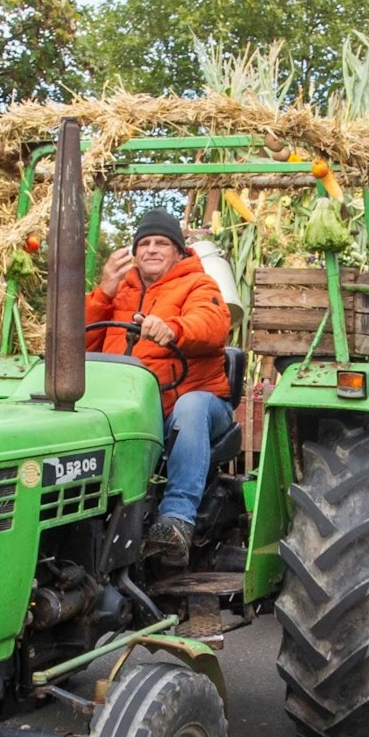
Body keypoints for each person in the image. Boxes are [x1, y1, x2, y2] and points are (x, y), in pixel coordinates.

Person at [85, 209, 234, 565]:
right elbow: (78, 346)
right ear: (134, 253)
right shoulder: (116, 291)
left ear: (179, 252)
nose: (151, 249)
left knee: (191, 407)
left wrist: (174, 329)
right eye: (145, 243)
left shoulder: (199, 284)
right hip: (126, 408)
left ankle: (176, 521)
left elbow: (212, 325)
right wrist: (103, 294)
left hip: (189, 402)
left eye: (162, 243)